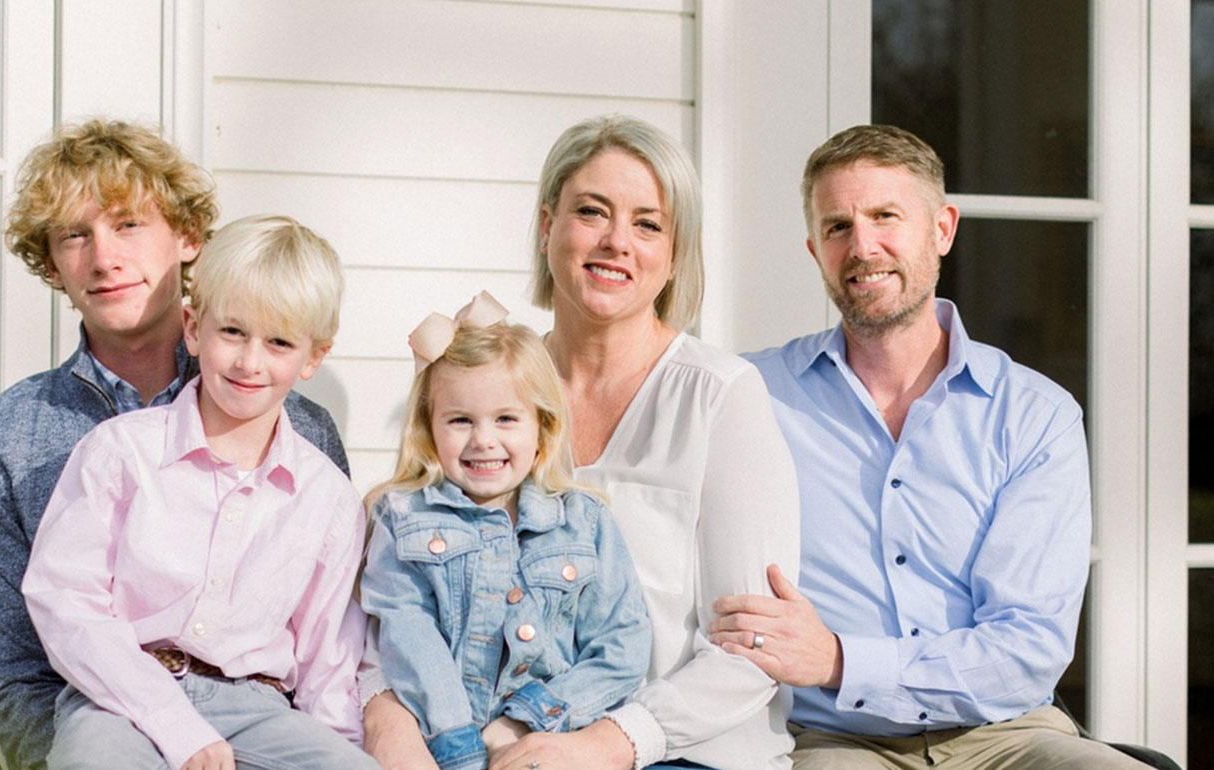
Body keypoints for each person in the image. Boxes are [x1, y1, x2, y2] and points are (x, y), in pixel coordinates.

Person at [363, 114, 801, 770]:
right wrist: (386, 715)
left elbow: (751, 649)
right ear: (547, 228)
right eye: (592, 212)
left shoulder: (718, 395)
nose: (617, 241)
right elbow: (402, 589)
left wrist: (609, 742)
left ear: (675, 253)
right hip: (488, 745)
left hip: (682, 754)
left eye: (648, 223)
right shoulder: (487, 397)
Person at [715, 124, 1147, 768]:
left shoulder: (1036, 416)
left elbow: (1026, 648)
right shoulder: (750, 395)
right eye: (837, 227)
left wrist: (839, 659)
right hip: (833, 738)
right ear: (814, 250)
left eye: (886, 216)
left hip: (1011, 734)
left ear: (942, 228)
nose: (863, 246)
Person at [0, 120, 349, 770]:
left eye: (128, 223)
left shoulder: (298, 431)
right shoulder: (2, 443)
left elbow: (322, 645)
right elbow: (15, 678)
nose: (104, 258)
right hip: (97, 731)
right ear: (51, 262)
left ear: (188, 237)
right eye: (75, 236)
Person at [22, 214, 374, 770]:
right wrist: (175, 726)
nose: (249, 362)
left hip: (261, 710)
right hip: (121, 696)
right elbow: (64, 599)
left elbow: (327, 657)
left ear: (313, 357)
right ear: (193, 326)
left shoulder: (325, 497)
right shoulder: (120, 453)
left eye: (279, 342)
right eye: (232, 331)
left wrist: (338, 750)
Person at [359, 292, 652, 770]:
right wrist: (459, 743)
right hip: (439, 746)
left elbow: (622, 645)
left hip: (553, 744)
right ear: (429, 428)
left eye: (506, 419)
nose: (483, 440)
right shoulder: (403, 517)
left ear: (543, 426)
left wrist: (525, 721)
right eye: (460, 420)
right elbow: (408, 635)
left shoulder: (585, 520)